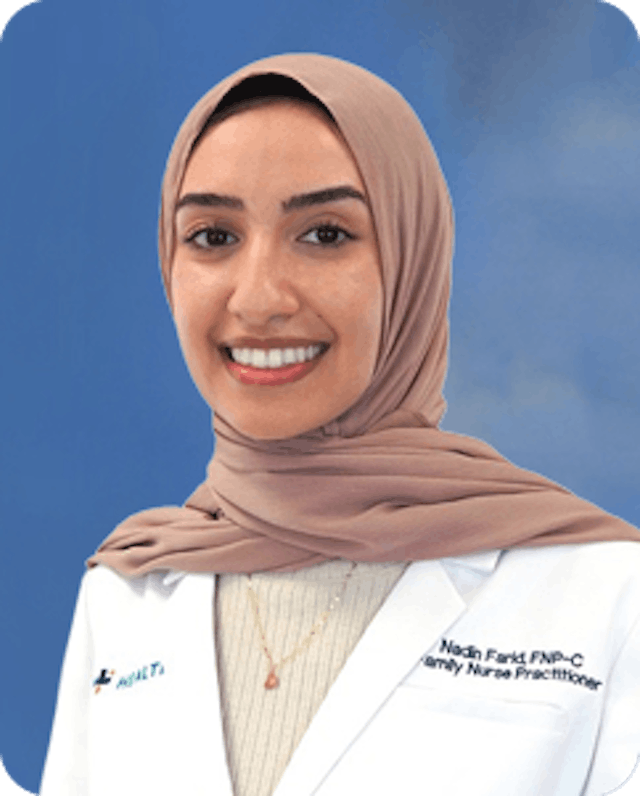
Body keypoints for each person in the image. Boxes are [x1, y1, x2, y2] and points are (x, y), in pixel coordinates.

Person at [39, 53, 640, 796]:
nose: (258, 299)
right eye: (213, 236)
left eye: (324, 234)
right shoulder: (126, 591)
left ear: (414, 261)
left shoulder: (607, 595)